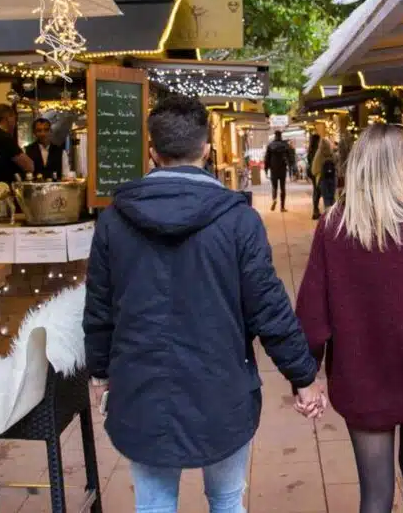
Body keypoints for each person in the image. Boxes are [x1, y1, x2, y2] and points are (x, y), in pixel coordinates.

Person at [83, 95, 325, 513]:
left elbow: (100, 307)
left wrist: (101, 371)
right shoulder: (238, 220)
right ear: (207, 150)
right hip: (222, 389)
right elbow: (268, 308)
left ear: (152, 153)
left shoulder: (115, 220)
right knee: (227, 502)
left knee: (154, 506)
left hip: (141, 387)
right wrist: (303, 377)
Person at [296, 123, 403, 513]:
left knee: (375, 491)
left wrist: (306, 374)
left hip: (363, 374)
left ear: (358, 165)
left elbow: (312, 313)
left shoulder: (335, 225)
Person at [0, 104, 34, 185]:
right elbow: (29, 165)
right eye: (14, 119)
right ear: (8, 119)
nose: (15, 123)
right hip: (5, 188)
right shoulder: (4, 138)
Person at [264, 131, 294, 212]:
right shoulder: (285, 145)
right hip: (282, 168)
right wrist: (291, 167)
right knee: (282, 188)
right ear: (281, 136)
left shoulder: (270, 145)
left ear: (275, 136)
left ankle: (274, 199)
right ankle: (282, 207)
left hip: (273, 168)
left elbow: (267, 158)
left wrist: (266, 169)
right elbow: (290, 157)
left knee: (274, 187)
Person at [312, 137, 336, 211]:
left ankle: (328, 214)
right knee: (332, 198)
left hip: (322, 179)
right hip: (332, 178)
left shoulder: (319, 153)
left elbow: (314, 170)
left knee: (326, 199)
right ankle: (333, 213)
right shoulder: (331, 153)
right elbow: (335, 164)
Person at [307, 133, 321, 220]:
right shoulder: (317, 150)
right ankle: (315, 211)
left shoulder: (310, 149)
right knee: (317, 191)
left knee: (316, 190)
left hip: (311, 172)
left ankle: (316, 210)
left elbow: (309, 160)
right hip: (316, 172)